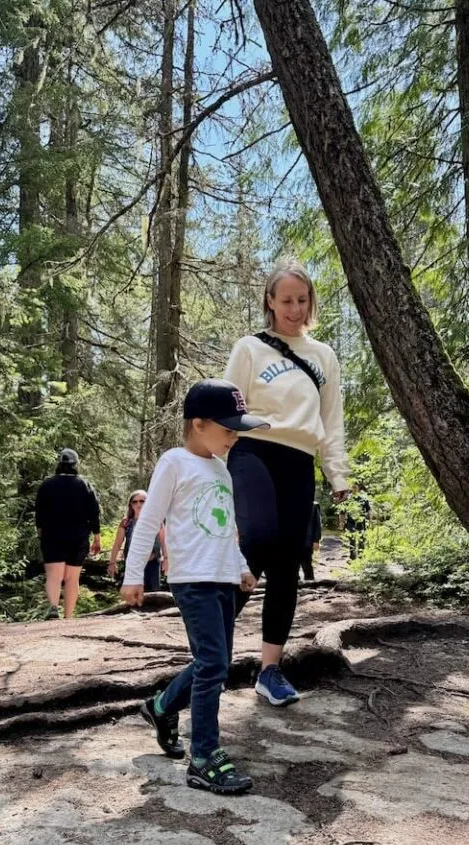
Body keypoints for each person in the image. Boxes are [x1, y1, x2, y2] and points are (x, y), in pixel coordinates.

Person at [121, 380, 266, 794]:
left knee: (212, 662)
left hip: (223, 579)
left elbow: (226, 528)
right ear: (198, 424)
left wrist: (241, 566)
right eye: (228, 429)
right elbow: (148, 521)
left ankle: (162, 706)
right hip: (192, 580)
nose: (234, 437)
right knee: (214, 666)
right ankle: (203, 757)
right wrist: (133, 575)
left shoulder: (221, 468)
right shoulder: (174, 462)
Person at [224, 261, 349, 707]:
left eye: (302, 300)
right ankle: (211, 649)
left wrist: (337, 473)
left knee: (287, 564)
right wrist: (213, 469)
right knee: (256, 543)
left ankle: (270, 670)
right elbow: (226, 410)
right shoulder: (250, 349)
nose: (295, 309)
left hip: (299, 460)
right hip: (254, 450)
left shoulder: (323, 356)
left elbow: (330, 420)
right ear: (270, 303)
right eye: (286, 300)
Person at [35, 448, 101, 619]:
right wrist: (96, 536)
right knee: (72, 578)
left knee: (53, 576)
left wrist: (40, 532)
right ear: (75, 464)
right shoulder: (84, 485)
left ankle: (53, 607)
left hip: (52, 535)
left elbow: (39, 512)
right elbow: (94, 512)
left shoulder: (47, 484)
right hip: (78, 537)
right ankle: (68, 617)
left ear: (59, 464)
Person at [107, 490, 168, 591]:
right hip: (132, 565)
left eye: (142, 501)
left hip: (152, 564)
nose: (138, 504)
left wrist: (166, 559)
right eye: (134, 502)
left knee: (152, 596)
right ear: (130, 505)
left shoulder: (156, 521)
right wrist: (112, 563)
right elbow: (117, 544)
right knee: (133, 596)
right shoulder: (126, 522)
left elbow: (163, 541)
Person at [300, 501, 322, 581]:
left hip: (307, 541)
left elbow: (317, 524)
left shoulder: (314, 505)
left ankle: (310, 584)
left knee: (307, 564)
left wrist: (316, 540)